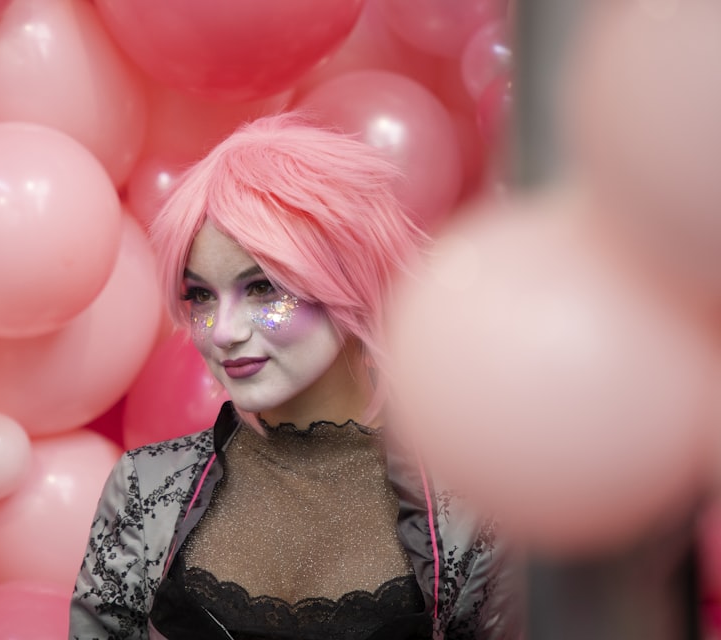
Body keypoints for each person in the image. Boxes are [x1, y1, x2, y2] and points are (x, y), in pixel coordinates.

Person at [70, 113, 519, 639]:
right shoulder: (147, 490)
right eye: (201, 296)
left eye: (262, 288)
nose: (222, 332)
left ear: (350, 279)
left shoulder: (470, 509)